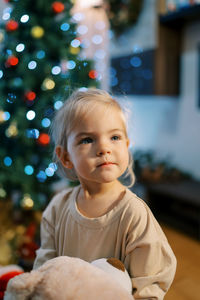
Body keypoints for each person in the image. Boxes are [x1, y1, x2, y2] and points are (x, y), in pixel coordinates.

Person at [33, 88, 177, 299]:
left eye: (115, 137)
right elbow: (45, 268)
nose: (104, 148)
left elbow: (149, 284)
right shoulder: (57, 207)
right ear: (65, 157)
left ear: (126, 146)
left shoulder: (134, 213)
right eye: (87, 140)